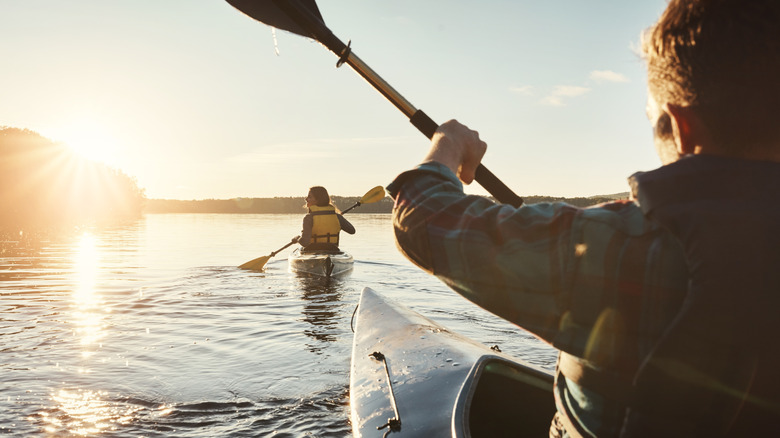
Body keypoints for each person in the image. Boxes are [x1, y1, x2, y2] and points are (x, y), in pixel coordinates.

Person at [387, 0, 780, 436]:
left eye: (655, 123)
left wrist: (449, 145)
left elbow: (422, 216)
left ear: (682, 128)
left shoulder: (618, 246)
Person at [298, 186, 355, 252]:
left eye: (310, 197)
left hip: (313, 251)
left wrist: (297, 239)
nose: (306, 199)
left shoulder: (309, 218)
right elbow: (352, 230)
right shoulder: (337, 217)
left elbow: (304, 243)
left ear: (318, 199)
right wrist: (339, 218)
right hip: (333, 250)